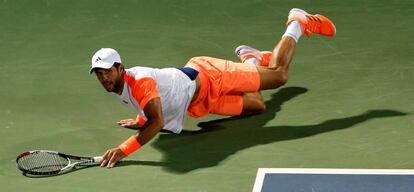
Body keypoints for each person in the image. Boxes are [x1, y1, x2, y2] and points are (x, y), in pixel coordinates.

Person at [90, 8, 336, 168]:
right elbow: (149, 104)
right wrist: (140, 118)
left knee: (279, 75)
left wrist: (123, 150)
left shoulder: (140, 80)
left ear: (120, 68)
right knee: (257, 105)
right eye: (99, 74)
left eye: (107, 71)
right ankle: (251, 59)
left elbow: (156, 120)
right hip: (199, 103)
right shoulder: (119, 87)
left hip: (211, 76)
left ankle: (298, 22)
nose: (104, 78)